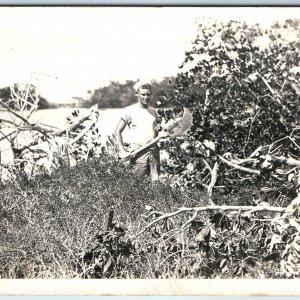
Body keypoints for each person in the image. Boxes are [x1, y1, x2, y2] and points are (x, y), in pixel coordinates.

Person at [114, 81, 160, 181]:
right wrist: (122, 150)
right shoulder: (129, 110)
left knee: (155, 183)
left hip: (154, 153)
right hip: (138, 153)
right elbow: (117, 131)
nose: (146, 97)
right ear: (137, 94)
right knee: (138, 184)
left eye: (148, 94)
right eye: (143, 94)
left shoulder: (153, 111)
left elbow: (156, 132)